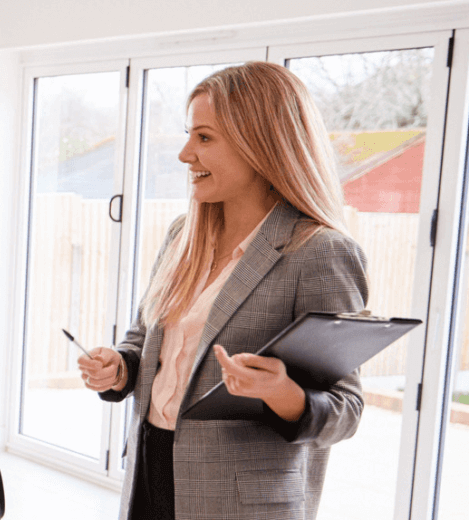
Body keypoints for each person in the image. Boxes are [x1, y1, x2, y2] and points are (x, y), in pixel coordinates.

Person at [77, 61, 368, 520]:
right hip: (152, 469)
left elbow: (345, 409)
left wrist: (281, 392)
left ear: (261, 144)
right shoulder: (183, 236)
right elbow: (143, 338)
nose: (184, 154)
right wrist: (120, 368)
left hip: (240, 503)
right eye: (189, 135)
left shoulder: (319, 251)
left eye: (204, 137)